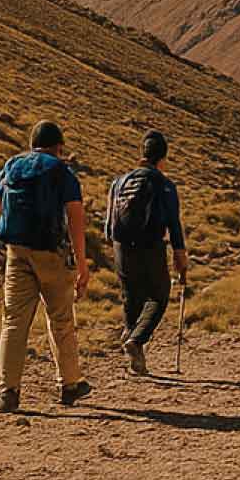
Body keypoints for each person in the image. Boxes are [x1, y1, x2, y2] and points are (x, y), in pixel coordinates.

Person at [0, 121, 92, 413]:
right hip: (51, 254)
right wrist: (81, 263)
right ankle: (69, 384)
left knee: (13, 320)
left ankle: (7, 391)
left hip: (16, 252)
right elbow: (75, 218)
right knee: (60, 318)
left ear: (32, 144)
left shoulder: (12, 164)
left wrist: (1, 233)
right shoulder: (62, 172)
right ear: (58, 147)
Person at [105, 131, 188, 375]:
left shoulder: (119, 182)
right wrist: (179, 255)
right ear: (163, 158)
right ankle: (136, 340)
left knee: (131, 296)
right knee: (159, 295)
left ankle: (135, 353)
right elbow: (173, 224)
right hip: (151, 246)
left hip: (121, 246)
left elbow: (109, 224)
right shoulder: (165, 185)